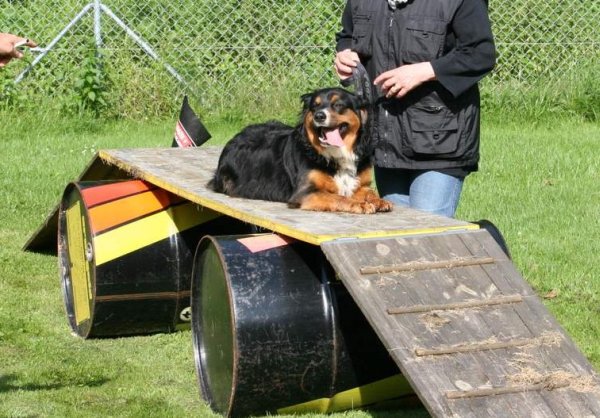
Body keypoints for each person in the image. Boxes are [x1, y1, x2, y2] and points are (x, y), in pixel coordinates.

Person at [334, 0, 496, 218]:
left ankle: (488, 241)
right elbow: (348, 36)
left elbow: (480, 54)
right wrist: (345, 54)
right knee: (397, 234)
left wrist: (426, 71)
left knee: (426, 236)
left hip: (440, 142)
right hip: (385, 140)